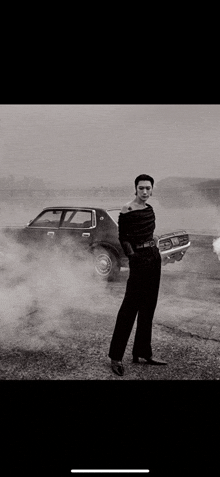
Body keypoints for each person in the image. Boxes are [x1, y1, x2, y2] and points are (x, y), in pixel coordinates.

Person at [108, 174, 167, 376]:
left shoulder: (150, 209)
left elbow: (150, 234)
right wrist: (134, 258)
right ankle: (115, 357)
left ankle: (143, 352)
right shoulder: (128, 209)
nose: (144, 192)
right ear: (135, 189)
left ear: (152, 190)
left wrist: (155, 247)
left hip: (153, 258)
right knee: (129, 307)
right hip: (139, 260)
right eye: (141, 188)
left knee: (149, 306)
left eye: (148, 188)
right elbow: (123, 239)